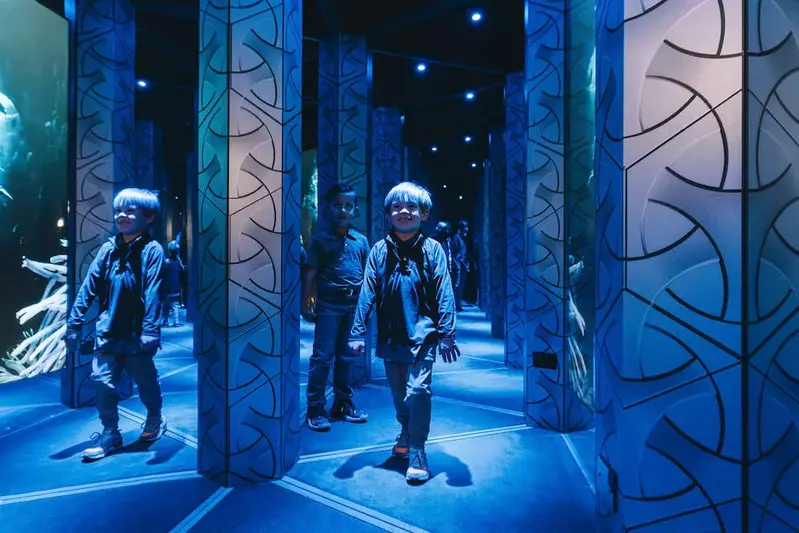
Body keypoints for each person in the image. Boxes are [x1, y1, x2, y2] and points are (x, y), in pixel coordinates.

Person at [349, 181, 460, 484]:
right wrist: (357, 332)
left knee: (419, 391)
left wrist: (448, 332)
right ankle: (405, 432)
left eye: (411, 206)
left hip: (423, 335)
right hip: (390, 336)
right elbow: (367, 291)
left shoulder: (433, 249)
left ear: (423, 214)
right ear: (388, 214)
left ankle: (418, 450)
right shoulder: (378, 251)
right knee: (400, 396)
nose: (404, 211)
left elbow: (444, 292)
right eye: (397, 206)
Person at [65, 188, 167, 461]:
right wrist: (73, 324)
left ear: (149, 217)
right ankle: (111, 432)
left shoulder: (153, 250)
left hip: (136, 334)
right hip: (108, 331)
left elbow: (153, 290)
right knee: (101, 382)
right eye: (119, 210)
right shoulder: (109, 248)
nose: (122, 215)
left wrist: (150, 329)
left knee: (146, 381)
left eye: (130, 211)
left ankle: (154, 418)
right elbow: (89, 286)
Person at [303, 184, 370, 431]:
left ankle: (342, 404)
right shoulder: (320, 240)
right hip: (329, 304)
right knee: (322, 357)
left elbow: (368, 277)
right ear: (329, 208)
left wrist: (366, 307)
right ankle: (315, 407)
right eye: (338, 205)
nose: (343, 210)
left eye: (348, 205)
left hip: (353, 305)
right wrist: (304, 303)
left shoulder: (361, 241)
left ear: (355, 209)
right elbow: (310, 273)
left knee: (347, 357)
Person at [161, 240, 185, 327]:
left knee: (166, 305)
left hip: (167, 288)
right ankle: (176, 321)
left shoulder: (166, 261)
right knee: (175, 305)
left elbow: (162, 274)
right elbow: (183, 270)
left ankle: (165, 321)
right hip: (175, 288)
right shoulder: (178, 262)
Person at [450, 220, 470, 311]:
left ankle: (458, 305)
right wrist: (457, 266)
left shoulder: (462, 239)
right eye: (464, 228)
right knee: (457, 287)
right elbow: (453, 254)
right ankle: (455, 306)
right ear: (460, 229)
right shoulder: (456, 238)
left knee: (460, 287)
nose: (466, 230)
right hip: (458, 267)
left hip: (463, 266)